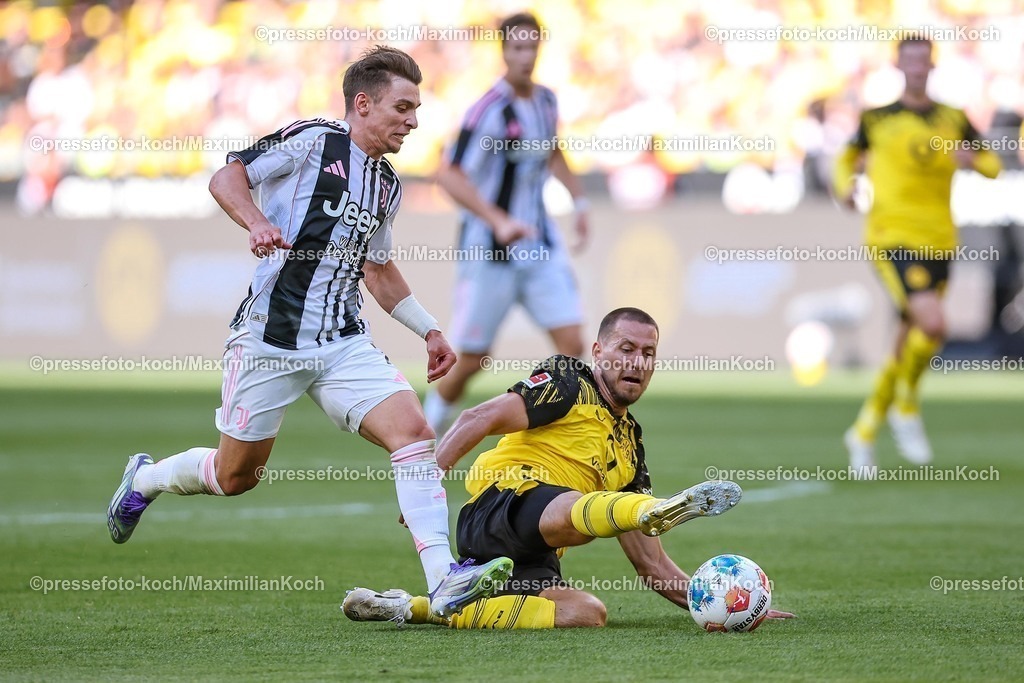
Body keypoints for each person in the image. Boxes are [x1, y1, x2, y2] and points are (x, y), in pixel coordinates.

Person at [106, 46, 512, 616]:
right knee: (235, 475)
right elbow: (228, 177)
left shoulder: (388, 185)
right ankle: (146, 480)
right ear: (363, 104)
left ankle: (444, 578)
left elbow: (377, 268)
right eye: (402, 107)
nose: (413, 121)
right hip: (271, 340)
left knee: (414, 432)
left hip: (343, 342)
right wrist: (257, 221)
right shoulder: (314, 139)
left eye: (417, 109)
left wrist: (429, 330)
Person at [342, 308, 795, 629]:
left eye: (648, 353)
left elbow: (651, 563)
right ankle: (644, 510)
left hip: (536, 553)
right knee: (577, 517)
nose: (636, 362)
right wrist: (429, 477)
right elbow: (477, 418)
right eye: (626, 348)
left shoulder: (631, 449)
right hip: (499, 507)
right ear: (598, 351)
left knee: (587, 612)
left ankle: (423, 607)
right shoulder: (567, 383)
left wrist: (722, 606)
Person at [834, 36, 1000, 475]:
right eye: (909, 62)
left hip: (940, 240)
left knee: (912, 338)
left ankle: (865, 429)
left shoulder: (953, 117)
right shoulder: (878, 118)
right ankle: (906, 403)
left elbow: (992, 164)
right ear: (898, 65)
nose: (917, 69)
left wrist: (973, 161)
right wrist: (844, 186)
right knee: (934, 324)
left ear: (932, 65)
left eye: (923, 62)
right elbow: (847, 157)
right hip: (893, 237)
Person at [422, 12, 589, 436]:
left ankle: (571, 437)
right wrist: (498, 220)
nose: (525, 56)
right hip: (490, 251)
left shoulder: (547, 102)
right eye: (517, 48)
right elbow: (448, 174)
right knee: (473, 359)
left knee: (572, 346)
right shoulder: (488, 110)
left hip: (539, 245)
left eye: (532, 47)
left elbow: (553, 152)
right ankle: (425, 432)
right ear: (503, 51)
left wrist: (580, 200)